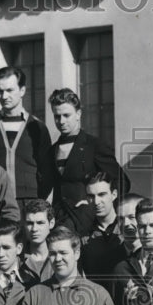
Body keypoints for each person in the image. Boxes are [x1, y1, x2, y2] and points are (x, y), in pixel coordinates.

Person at [48, 88, 129, 231]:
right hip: (61, 222)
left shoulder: (94, 146)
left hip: (89, 223)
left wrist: (98, 207)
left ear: (78, 114)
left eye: (67, 115)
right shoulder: (51, 150)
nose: (61, 121)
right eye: (57, 116)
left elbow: (122, 183)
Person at [0, 66, 56, 205]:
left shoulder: (38, 127)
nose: (4, 97)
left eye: (10, 90)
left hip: (29, 204)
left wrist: (38, 202)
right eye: (0, 91)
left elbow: (47, 172)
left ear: (22, 90)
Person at [79, 177, 129, 284]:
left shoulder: (128, 229)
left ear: (114, 194)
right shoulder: (83, 236)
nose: (96, 202)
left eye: (102, 194)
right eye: (91, 196)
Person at [18, 199, 56, 284]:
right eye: (30, 223)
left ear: (51, 223)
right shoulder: (17, 260)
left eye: (40, 223)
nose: (34, 229)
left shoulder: (61, 257)